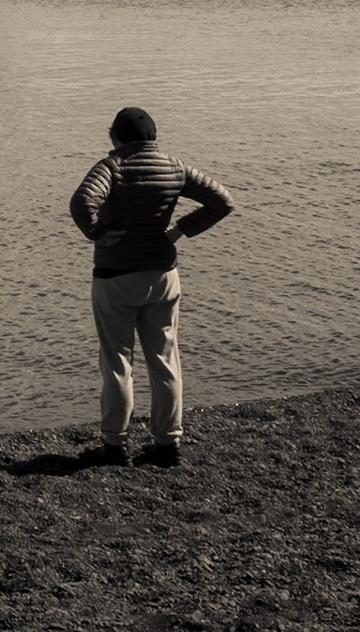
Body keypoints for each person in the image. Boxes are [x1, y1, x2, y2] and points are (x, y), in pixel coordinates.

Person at [69, 106, 232, 467]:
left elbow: (82, 202)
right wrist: (179, 230)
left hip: (116, 278)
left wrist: (98, 233)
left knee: (117, 363)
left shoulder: (112, 167)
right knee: (165, 361)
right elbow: (222, 200)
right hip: (162, 276)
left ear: (115, 136)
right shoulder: (175, 167)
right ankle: (168, 445)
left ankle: (115, 445)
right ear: (153, 136)